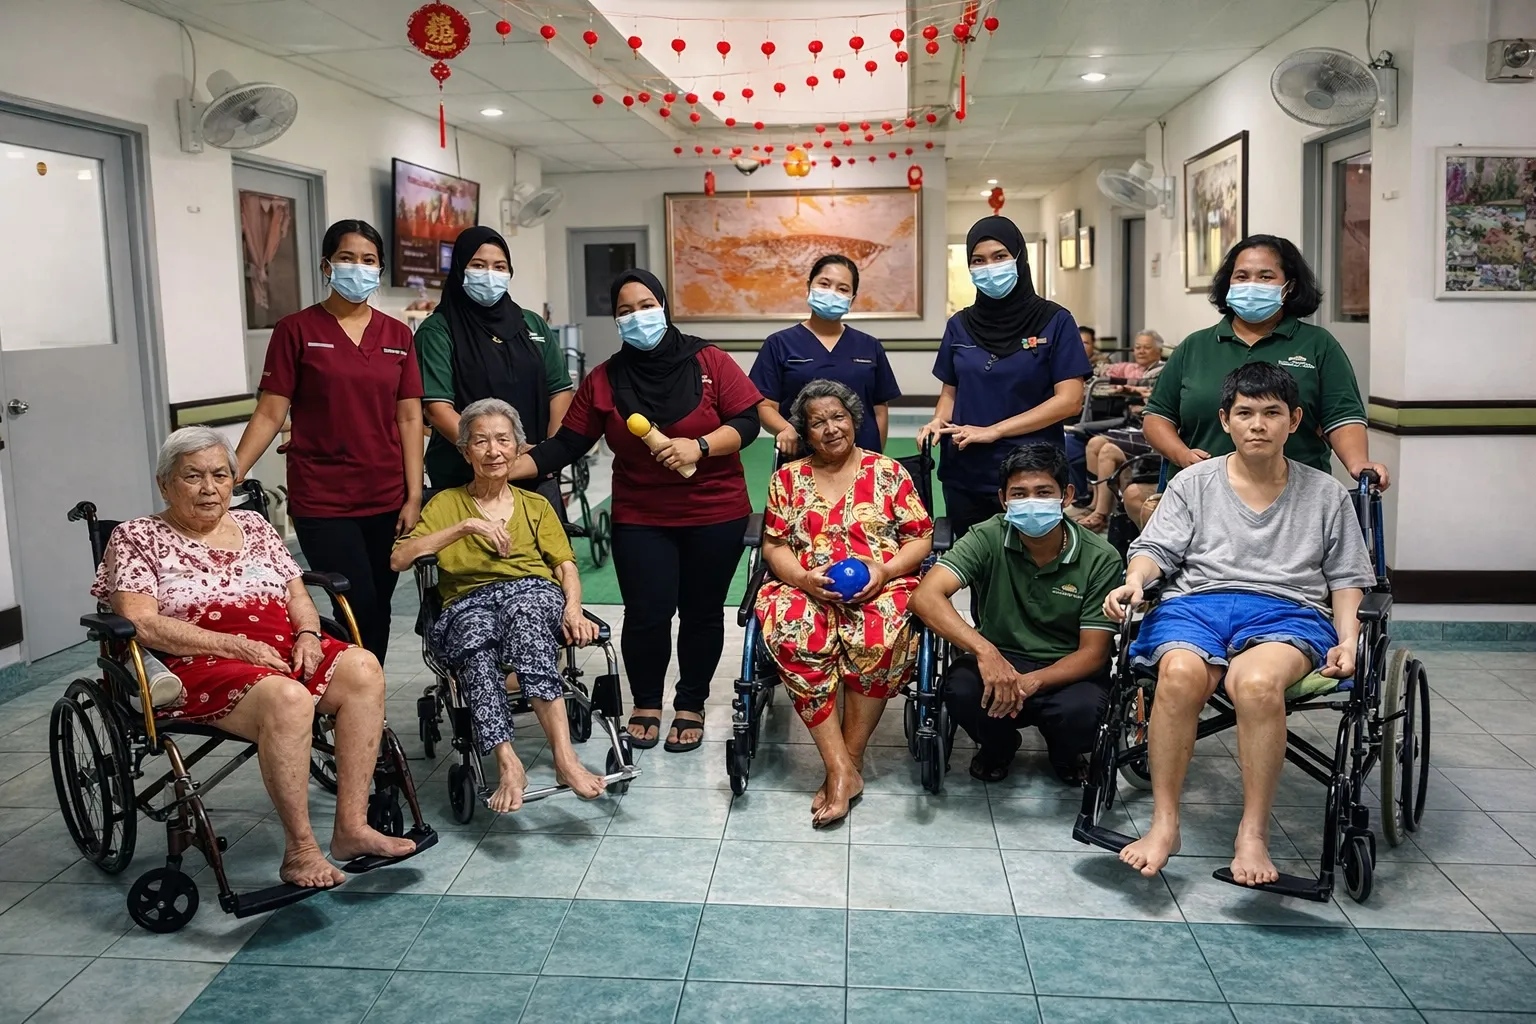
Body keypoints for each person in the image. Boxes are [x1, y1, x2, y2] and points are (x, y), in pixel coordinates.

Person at [94, 428, 420, 888]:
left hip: (282, 647)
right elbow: (142, 623)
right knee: (288, 700)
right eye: (192, 476)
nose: (210, 488)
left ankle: (352, 827)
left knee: (364, 668)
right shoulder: (136, 537)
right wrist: (233, 645)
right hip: (198, 661)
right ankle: (301, 851)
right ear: (164, 483)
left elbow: (296, 594)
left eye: (220, 475)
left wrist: (308, 632)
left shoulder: (255, 526)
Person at [1105, 363, 1376, 885]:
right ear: (1225, 419)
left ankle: (1252, 833)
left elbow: (1346, 579)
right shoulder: (1193, 482)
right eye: (1245, 413)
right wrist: (1135, 580)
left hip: (1287, 610)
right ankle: (1165, 824)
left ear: (1294, 421)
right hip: (1195, 605)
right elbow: (1155, 549)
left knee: (1252, 683)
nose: (1258, 424)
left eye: (1272, 413)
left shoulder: (1324, 494)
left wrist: (1348, 640)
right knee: (1180, 676)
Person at [503, 269, 762, 754]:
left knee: (702, 614)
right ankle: (646, 703)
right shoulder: (605, 378)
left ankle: (691, 703)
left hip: (715, 510)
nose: (636, 317)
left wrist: (700, 447)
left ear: (663, 306)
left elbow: (747, 423)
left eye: (645, 305)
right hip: (641, 515)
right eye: (624, 311)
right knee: (646, 614)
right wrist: (503, 469)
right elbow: (568, 444)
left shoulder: (710, 361)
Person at [391, 399, 605, 813]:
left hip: (530, 592)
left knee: (523, 617)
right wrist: (465, 527)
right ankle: (508, 763)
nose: (494, 451)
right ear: (465, 451)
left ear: (518, 448)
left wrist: (574, 610)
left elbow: (566, 567)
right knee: (474, 643)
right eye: (482, 441)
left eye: (504, 440)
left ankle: (564, 757)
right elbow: (399, 559)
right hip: (467, 601)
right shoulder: (446, 505)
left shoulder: (536, 505)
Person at [235, 219, 424, 661]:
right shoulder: (296, 330)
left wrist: (414, 494)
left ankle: (361, 703)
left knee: (378, 607)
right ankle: (355, 698)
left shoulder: (398, 335)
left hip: (387, 495)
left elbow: (410, 416)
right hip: (323, 497)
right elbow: (270, 410)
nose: (358, 268)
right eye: (347, 258)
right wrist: (231, 473)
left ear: (379, 270)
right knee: (355, 604)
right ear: (326, 265)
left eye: (369, 260)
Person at [755, 380, 933, 825]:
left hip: (881, 583)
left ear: (854, 420)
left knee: (881, 633)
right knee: (795, 631)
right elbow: (774, 545)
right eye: (817, 423)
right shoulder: (787, 479)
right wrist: (801, 577)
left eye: (838, 417)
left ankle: (844, 767)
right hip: (805, 583)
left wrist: (885, 571)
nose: (831, 428)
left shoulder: (888, 472)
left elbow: (921, 537)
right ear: (805, 432)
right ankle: (841, 769)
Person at [910, 444, 1123, 784]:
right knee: (962, 688)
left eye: (1043, 492)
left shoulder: (1101, 557)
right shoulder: (988, 536)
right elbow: (925, 596)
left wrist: (1029, 683)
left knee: (1083, 712)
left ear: (1066, 495)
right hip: (1001, 654)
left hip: (1065, 666)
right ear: (1003, 499)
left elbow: (1094, 653)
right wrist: (985, 651)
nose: (1031, 503)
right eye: (1019, 494)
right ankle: (998, 747)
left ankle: (1065, 752)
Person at [1142, 234, 1389, 489]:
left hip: (1294, 495)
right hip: (1201, 491)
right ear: (1229, 284)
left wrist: (1358, 463)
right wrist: (1182, 456)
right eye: (1242, 276)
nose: (1252, 284)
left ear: (1289, 286)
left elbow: (1342, 416)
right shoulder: (1195, 346)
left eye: (1265, 276)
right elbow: (1157, 417)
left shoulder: (1317, 345)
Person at [918, 216, 1090, 543]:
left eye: (999, 256)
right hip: (966, 471)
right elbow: (950, 392)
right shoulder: (960, 325)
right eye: (978, 260)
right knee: (977, 571)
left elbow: (1069, 400)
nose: (989, 267)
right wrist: (937, 421)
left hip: (1033, 475)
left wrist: (994, 431)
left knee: (1031, 572)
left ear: (1019, 258)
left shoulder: (1055, 321)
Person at [415, 226, 573, 507]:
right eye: (478, 265)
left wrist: (547, 453)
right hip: (463, 480)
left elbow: (559, 391)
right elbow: (437, 408)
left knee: (545, 550)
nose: (490, 273)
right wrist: (493, 454)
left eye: (499, 266)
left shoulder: (531, 324)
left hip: (532, 473)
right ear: (460, 270)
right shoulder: (438, 331)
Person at [751, 255, 901, 455]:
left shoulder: (869, 346)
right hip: (801, 459)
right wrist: (785, 429)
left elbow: (879, 409)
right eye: (824, 284)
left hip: (861, 461)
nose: (832, 293)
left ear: (852, 298)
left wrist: (874, 457)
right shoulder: (779, 344)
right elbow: (765, 405)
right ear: (809, 286)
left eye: (843, 289)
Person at [1076, 330, 1167, 532]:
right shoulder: (1131, 367)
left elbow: (1148, 391)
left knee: (1106, 450)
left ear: (1159, 350)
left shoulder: (1162, 370)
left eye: (1147, 347)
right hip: (1133, 423)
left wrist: (1129, 388)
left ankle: (1101, 514)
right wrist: (1128, 386)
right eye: (1137, 347)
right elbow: (1103, 372)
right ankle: (1096, 504)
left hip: (1149, 428)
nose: (1141, 351)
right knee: (1095, 443)